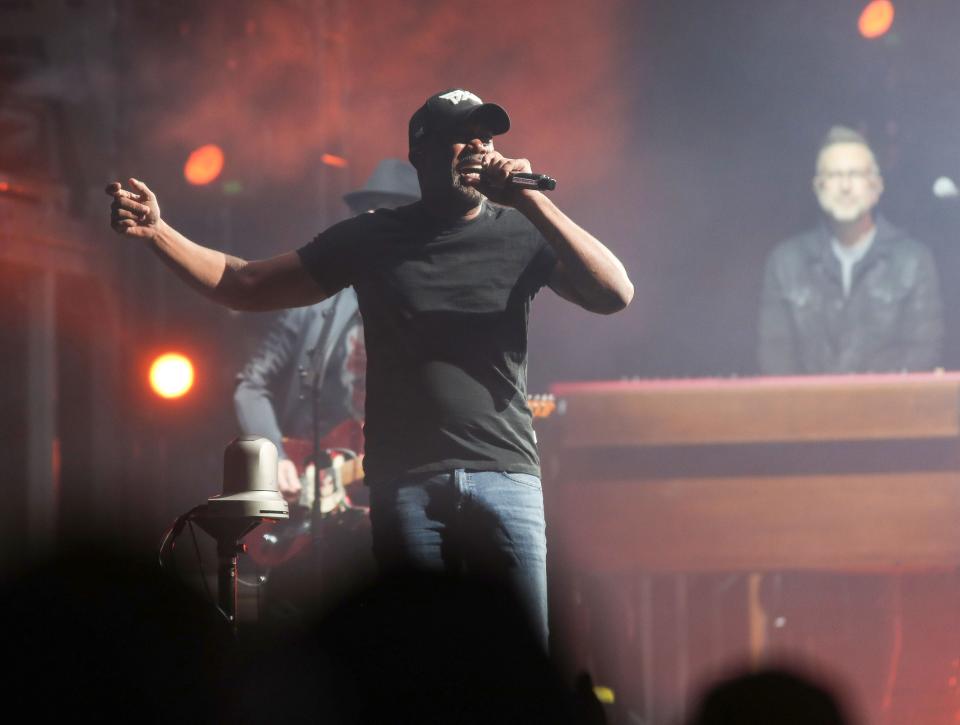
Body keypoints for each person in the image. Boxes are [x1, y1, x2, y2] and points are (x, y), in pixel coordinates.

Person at [108, 88, 634, 646]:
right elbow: (246, 284)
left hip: (505, 476)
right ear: (422, 151)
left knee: (520, 657)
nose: (479, 145)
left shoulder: (522, 229)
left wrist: (530, 201)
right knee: (413, 664)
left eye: (487, 134)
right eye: (464, 133)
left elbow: (615, 294)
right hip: (408, 482)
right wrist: (158, 234)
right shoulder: (375, 237)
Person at [234, 159, 419, 505]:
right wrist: (274, 453)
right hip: (309, 488)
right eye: (370, 214)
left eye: (393, 214)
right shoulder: (316, 303)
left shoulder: (429, 310)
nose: (377, 224)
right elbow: (251, 383)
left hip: (392, 493)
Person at [758, 126, 943, 375]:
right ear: (818, 188)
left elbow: (923, 355)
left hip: (887, 411)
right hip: (805, 412)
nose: (845, 186)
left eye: (855, 174)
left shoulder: (913, 261)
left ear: (876, 187)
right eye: (834, 175)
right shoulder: (785, 263)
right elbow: (775, 360)